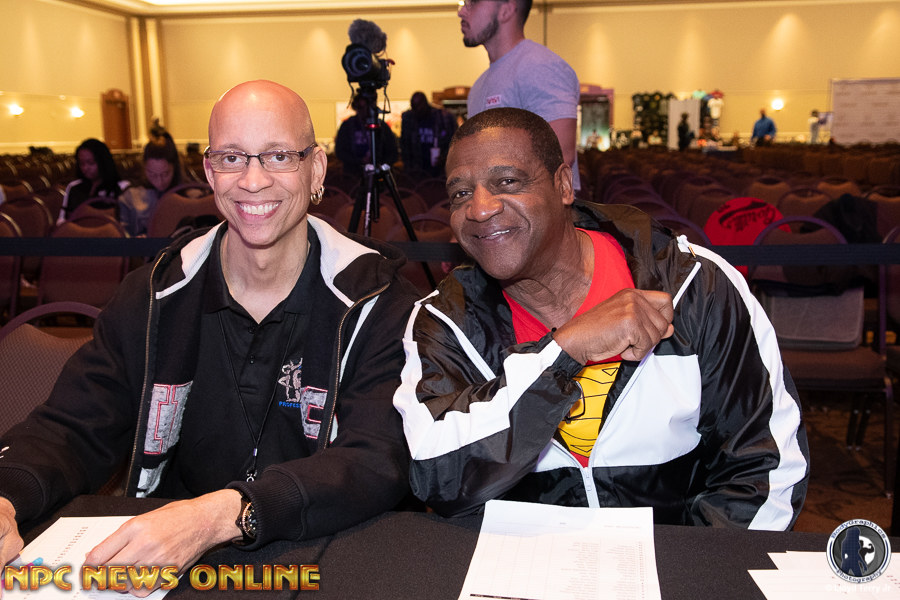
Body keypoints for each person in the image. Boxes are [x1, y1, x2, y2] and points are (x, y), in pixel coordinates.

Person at [0, 80, 418, 586]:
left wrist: (222, 514)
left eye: (279, 156)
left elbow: (375, 458)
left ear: (316, 169)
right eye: (232, 158)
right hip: (175, 566)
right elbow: (71, 426)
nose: (253, 181)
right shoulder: (153, 295)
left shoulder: (377, 300)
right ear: (208, 171)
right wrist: (7, 496)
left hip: (323, 559)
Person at [393, 107, 809, 529]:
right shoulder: (444, 323)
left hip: (680, 560)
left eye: (508, 182)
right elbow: (437, 477)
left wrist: (688, 565)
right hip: (520, 564)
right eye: (461, 193)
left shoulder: (695, 286)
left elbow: (762, 467)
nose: (480, 209)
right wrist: (565, 351)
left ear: (563, 185)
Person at [458, 0, 581, 192]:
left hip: (537, 210)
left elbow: (560, 156)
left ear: (506, 10)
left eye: (472, 3)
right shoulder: (478, 86)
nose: (461, 12)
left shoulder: (541, 66)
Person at [118, 127, 183, 236]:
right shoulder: (130, 196)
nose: (159, 181)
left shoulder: (191, 195)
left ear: (175, 168)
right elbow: (123, 235)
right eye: (152, 174)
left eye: (165, 174)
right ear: (144, 168)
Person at [59, 138, 129, 223]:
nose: (85, 168)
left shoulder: (122, 187)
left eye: (91, 163)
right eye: (82, 164)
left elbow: (127, 222)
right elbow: (62, 220)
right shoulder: (74, 187)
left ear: (103, 162)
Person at [334, 91, 399, 178]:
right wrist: (359, 161)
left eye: (367, 107)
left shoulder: (381, 126)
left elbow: (392, 151)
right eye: (361, 107)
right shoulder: (348, 126)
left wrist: (381, 164)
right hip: (353, 174)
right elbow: (340, 151)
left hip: (379, 173)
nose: (364, 111)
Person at [400, 91, 457, 179]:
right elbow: (405, 146)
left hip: (440, 170)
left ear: (426, 104)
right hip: (417, 170)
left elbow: (455, 142)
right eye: (414, 107)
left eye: (419, 106)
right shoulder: (408, 119)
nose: (418, 110)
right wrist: (408, 169)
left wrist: (445, 157)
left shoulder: (443, 117)